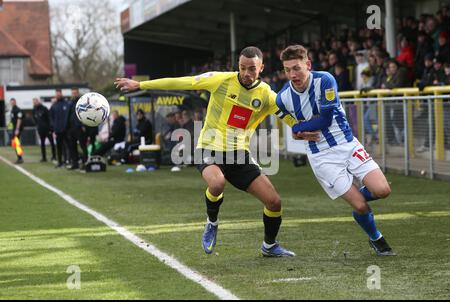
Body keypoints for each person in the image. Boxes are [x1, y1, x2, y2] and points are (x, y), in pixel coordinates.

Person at [115, 46, 320, 257]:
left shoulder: (266, 95)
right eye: (242, 68)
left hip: (239, 155)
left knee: (274, 202)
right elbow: (183, 81)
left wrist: (299, 130)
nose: (246, 74)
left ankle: (269, 245)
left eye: (252, 69)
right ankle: (212, 222)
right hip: (209, 148)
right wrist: (140, 84)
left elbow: (286, 116)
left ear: (261, 68)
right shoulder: (221, 80)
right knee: (217, 182)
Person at [277, 44, 395, 256]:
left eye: (297, 68)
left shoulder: (325, 80)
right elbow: (288, 120)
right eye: (287, 70)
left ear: (308, 64)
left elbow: (325, 118)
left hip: (347, 145)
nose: (292, 74)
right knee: (360, 207)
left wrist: (298, 128)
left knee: (383, 190)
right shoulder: (282, 98)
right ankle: (376, 239)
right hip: (322, 157)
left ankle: (355, 197)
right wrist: (296, 130)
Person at [67, 88, 88, 170]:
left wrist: (83, 125)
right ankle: (75, 163)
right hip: (71, 128)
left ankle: (85, 162)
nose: (74, 94)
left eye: (75, 93)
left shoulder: (82, 102)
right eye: (72, 93)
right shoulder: (70, 103)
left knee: (83, 146)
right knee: (72, 146)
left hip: (79, 127)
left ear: (77, 93)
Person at [50, 89, 70, 168]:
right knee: (59, 146)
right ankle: (60, 162)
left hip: (65, 130)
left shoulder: (66, 104)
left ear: (61, 94)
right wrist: (53, 129)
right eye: (57, 94)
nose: (58, 95)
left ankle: (67, 160)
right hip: (57, 130)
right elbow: (51, 117)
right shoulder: (54, 105)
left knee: (67, 146)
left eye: (59, 94)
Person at [32, 98, 56, 162]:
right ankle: (44, 157)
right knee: (42, 144)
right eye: (33, 102)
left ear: (38, 102)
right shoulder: (34, 110)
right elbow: (35, 119)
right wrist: (37, 126)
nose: (34, 103)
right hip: (40, 130)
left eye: (35, 102)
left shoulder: (44, 108)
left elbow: (49, 118)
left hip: (47, 129)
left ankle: (54, 156)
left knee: (52, 143)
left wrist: (51, 128)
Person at [9, 98, 24, 164]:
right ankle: (19, 157)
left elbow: (19, 119)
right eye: (11, 102)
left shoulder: (18, 110)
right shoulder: (12, 110)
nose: (12, 103)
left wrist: (17, 129)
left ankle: (20, 158)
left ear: (15, 102)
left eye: (13, 102)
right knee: (14, 143)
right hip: (14, 128)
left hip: (17, 129)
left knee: (16, 143)